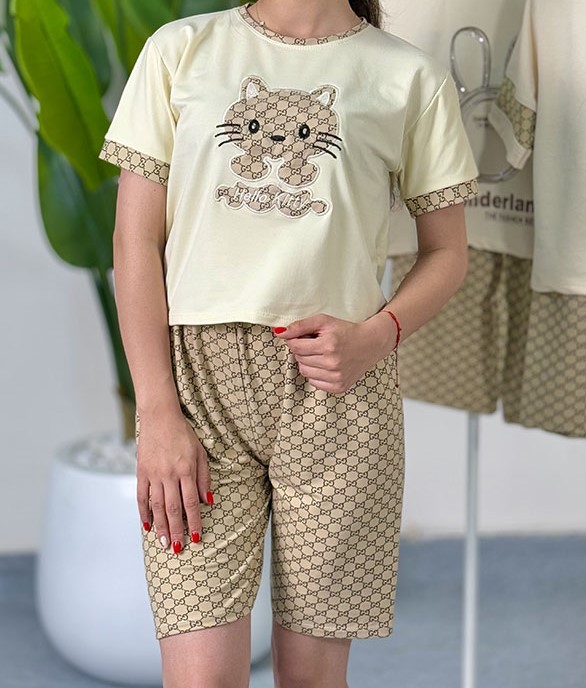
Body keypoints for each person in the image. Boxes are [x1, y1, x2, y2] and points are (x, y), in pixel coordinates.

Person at [99, 1, 478, 686]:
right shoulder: (180, 50)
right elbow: (134, 241)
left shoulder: (410, 78)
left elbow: (448, 253)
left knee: (312, 678)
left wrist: (376, 336)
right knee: (201, 678)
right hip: (196, 391)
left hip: (339, 394)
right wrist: (156, 410)